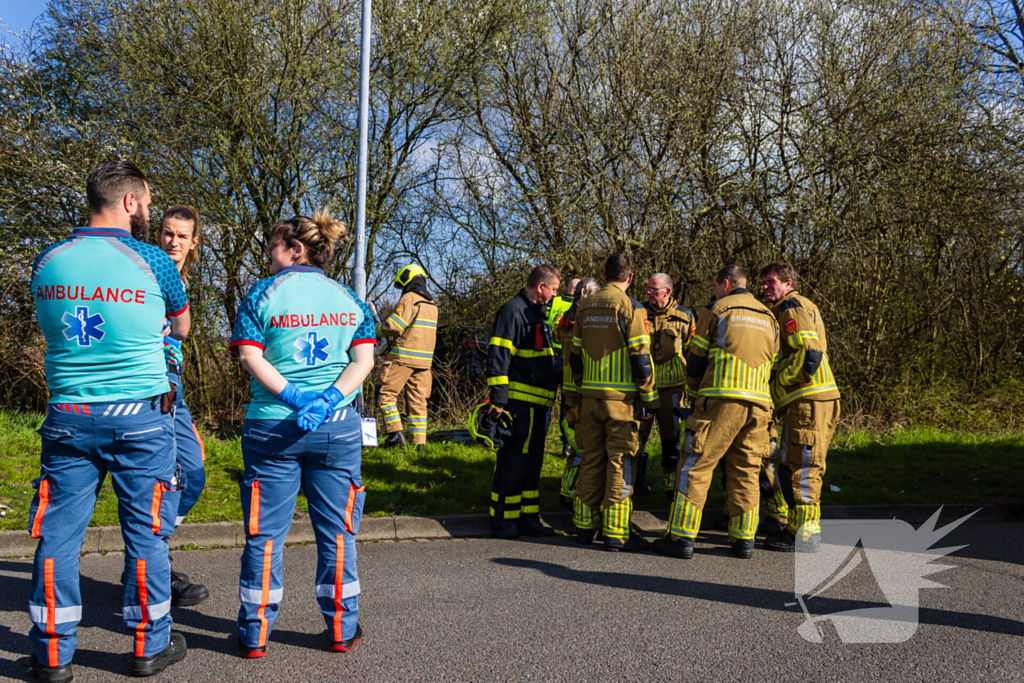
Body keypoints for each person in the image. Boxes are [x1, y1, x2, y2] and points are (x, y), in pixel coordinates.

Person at [27, 160, 191, 680]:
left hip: (68, 415)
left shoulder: (47, 260)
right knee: (145, 536)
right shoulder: (152, 261)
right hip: (139, 418)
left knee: (56, 536)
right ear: (128, 201)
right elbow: (181, 328)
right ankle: (149, 646)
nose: (147, 210)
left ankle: (52, 654)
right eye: (145, 201)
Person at [229, 210, 376, 657]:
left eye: (273, 246)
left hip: (272, 426)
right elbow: (363, 361)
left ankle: (254, 633)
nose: (269, 256)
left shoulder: (260, 294)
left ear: (295, 250)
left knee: (265, 535)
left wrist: (295, 396)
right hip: (336, 429)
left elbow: (250, 357)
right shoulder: (350, 299)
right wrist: (329, 399)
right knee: (337, 533)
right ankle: (341, 629)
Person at [653, 265, 778, 560]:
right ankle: (744, 540)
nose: (713, 290)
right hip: (760, 403)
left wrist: (694, 398)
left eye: (714, 285)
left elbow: (696, 361)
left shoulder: (717, 309)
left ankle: (681, 538)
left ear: (725, 284)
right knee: (746, 469)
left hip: (721, 399)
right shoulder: (769, 316)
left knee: (695, 465)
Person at [566, 254, 659, 552]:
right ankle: (617, 533)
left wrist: (576, 395)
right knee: (620, 462)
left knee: (591, 459)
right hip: (621, 402)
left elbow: (575, 357)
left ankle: (583, 527)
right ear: (630, 277)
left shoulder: (584, 306)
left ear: (604, 274)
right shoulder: (632, 307)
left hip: (590, 399)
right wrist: (651, 399)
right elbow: (641, 360)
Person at [760, 262, 841, 553]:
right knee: (794, 463)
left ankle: (805, 536)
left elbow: (811, 354)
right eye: (764, 282)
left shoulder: (791, 307)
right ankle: (797, 528)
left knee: (802, 468)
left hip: (809, 400)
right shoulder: (793, 305)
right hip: (808, 401)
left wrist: (779, 382)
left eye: (771, 282)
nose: (766, 287)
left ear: (788, 283)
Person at [155, 205, 210, 606]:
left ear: (194, 243)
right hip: (154, 383)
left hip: (176, 385)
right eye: (167, 233)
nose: (172, 241)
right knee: (168, 476)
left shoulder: (180, 276)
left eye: (180, 236)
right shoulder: (151, 270)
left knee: (192, 472)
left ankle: (151, 554)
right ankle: (152, 564)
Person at [484, 264, 561, 539]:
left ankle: (528, 518)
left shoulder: (535, 313)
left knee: (531, 465)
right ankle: (503, 521)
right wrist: (499, 400)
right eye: (553, 289)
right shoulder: (513, 311)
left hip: (538, 406)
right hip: (519, 405)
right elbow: (498, 357)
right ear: (541, 286)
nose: (554, 295)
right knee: (514, 463)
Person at [637, 273, 695, 499]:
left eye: (653, 288)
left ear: (667, 292)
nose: (648, 292)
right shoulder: (639, 312)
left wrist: (692, 387)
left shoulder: (685, 316)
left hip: (673, 390)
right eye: (648, 288)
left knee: (671, 440)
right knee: (637, 438)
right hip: (643, 389)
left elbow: (692, 351)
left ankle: (671, 487)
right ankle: (636, 482)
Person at [376, 263, 438, 450]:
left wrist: (377, 329)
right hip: (425, 362)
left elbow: (394, 327)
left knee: (385, 394)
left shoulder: (410, 298)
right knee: (418, 402)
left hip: (403, 357)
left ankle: (394, 435)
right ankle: (419, 444)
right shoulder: (431, 304)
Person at [557, 277, 600, 504]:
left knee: (575, 444)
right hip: (584, 388)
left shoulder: (565, 319)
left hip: (568, 389)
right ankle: (574, 491)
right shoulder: (588, 321)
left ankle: (568, 488)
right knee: (584, 445)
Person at [546, 277, 578, 459]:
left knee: (547, 402)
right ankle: (567, 444)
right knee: (568, 405)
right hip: (570, 360)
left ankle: (539, 441)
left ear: (567, 288)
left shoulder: (553, 302)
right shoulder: (584, 306)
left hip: (551, 356)